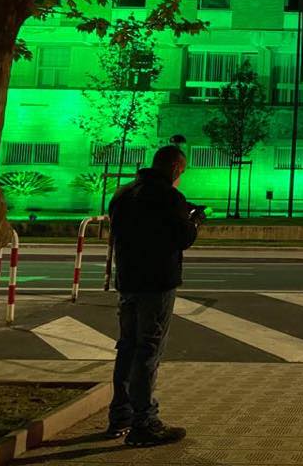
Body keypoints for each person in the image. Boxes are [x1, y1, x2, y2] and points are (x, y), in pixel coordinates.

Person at [105, 145, 200, 446]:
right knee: (148, 349)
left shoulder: (123, 194)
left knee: (127, 346)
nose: (180, 178)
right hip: (156, 282)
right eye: (181, 172)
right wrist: (194, 220)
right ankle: (144, 422)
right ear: (174, 168)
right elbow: (182, 237)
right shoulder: (169, 197)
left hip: (128, 280)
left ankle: (120, 414)